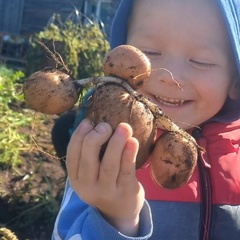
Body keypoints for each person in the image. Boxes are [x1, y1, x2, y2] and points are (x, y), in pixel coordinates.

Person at [52, 0, 240, 239]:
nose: (170, 77)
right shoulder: (105, 153)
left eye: (201, 61)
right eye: (149, 53)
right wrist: (116, 217)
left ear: (236, 81)